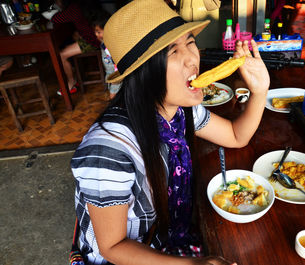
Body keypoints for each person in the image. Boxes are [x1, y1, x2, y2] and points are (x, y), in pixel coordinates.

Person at [70, 0, 270, 264]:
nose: (192, 58)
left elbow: (236, 135)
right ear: (143, 73)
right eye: (172, 51)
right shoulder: (108, 150)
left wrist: (260, 91)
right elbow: (112, 247)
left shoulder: (180, 110)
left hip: (170, 238)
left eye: (189, 42)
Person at [51, 0, 101, 95]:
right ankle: (73, 73)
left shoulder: (74, 7)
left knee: (62, 55)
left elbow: (55, 19)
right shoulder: (85, 4)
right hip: (98, 36)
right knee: (70, 39)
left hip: (92, 41)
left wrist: (59, 8)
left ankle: (71, 82)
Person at [92, 10, 121, 100]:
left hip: (117, 75)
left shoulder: (112, 44)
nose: (96, 34)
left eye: (98, 32)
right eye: (95, 32)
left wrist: (113, 88)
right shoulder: (104, 44)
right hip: (112, 75)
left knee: (113, 97)